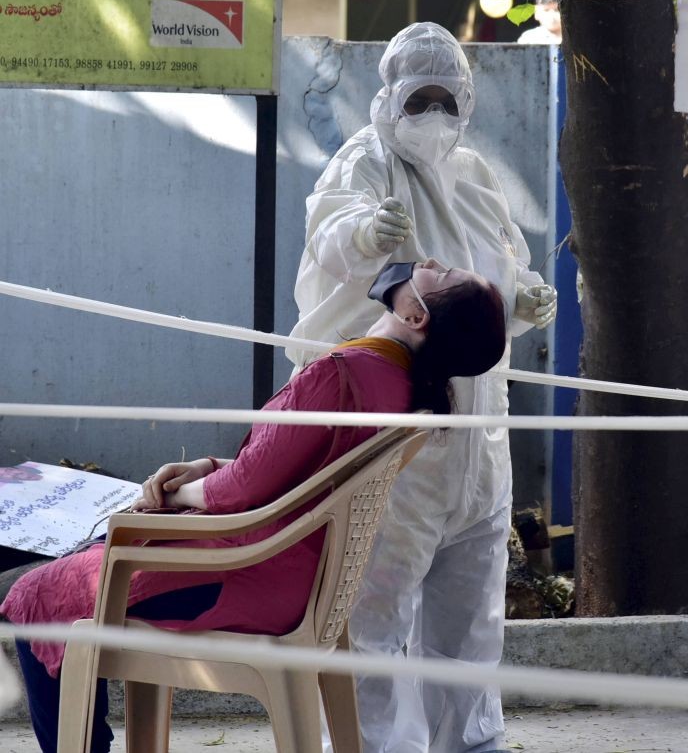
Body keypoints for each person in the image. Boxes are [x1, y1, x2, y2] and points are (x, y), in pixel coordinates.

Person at [1, 261, 507, 753]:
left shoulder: (346, 372)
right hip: (297, 576)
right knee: (83, 559)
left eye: (438, 275)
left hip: (244, 572)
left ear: (417, 317)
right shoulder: (400, 383)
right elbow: (299, 471)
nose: (430, 261)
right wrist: (208, 466)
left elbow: (241, 492)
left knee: (34, 599)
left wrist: (172, 496)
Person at [287, 21, 556, 753]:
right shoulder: (364, 163)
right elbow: (329, 239)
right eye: (419, 99)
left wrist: (524, 300)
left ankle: (471, 741)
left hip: (480, 435)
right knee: (374, 609)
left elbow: (496, 271)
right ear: (391, 96)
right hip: (398, 440)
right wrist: (368, 235)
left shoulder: (476, 177)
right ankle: (376, 745)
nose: (434, 116)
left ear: (466, 100)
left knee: (472, 615)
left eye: (447, 100)